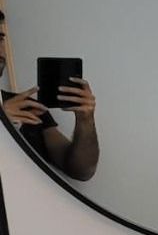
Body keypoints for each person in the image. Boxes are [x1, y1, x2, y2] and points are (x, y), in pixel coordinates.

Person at [0, 10, 99, 182]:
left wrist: (86, 120)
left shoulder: (28, 108)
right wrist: (2, 123)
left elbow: (82, 171)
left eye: (0, 38)